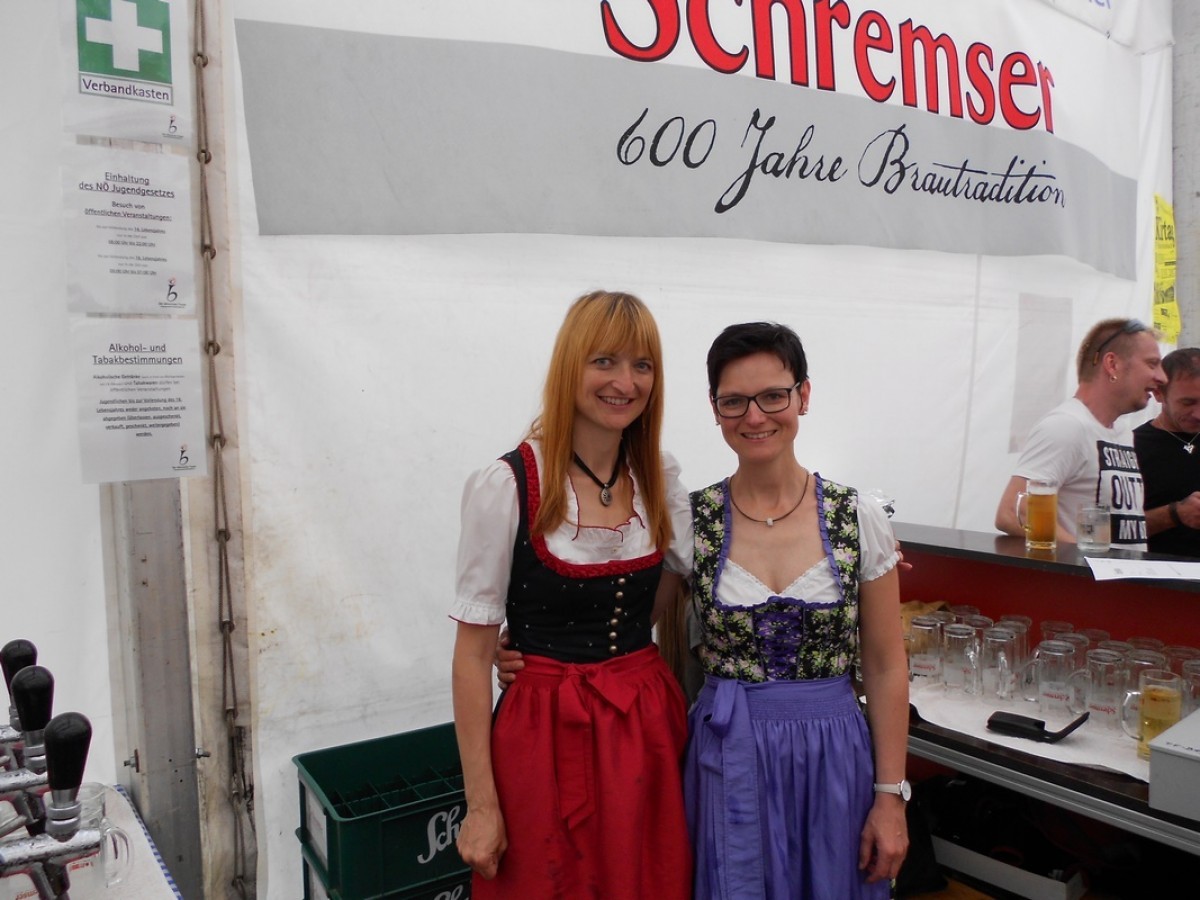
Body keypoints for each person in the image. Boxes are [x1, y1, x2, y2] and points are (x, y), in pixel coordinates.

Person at [449, 291, 692, 899]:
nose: (625, 382)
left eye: (642, 365)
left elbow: (655, 600)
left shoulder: (657, 478)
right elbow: (471, 656)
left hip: (643, 724)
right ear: (569, 367)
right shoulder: (508, 484)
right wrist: (481, 806)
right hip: (542, 732)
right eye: (603, 361)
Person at [684, 322, 909, 898]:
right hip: (728, 756)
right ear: (714, 408)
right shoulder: (689, 521)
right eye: (734, 401)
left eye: (772, 396)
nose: (754, 416)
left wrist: (891, 796)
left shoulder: (856, 516)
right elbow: (628, 627)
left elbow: (886, 665)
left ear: (803, 395)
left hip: (833, 757)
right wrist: (521, 647)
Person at [995, 318, 1165, 549]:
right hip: (1092, 573)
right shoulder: (1066, 426)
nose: (1162, 377)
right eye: (1152, 364)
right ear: (1112, 364)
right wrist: (1087, 560)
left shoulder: (1122, 431)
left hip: (1123, 572)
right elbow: (1013, 512)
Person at [1134, 347, 1200, 556]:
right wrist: (1175, 514)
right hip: (1155, 572)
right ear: (1159, 393)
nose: (1198, 414)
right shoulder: (1132, 446)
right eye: (1188, 403)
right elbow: (1109, 529)